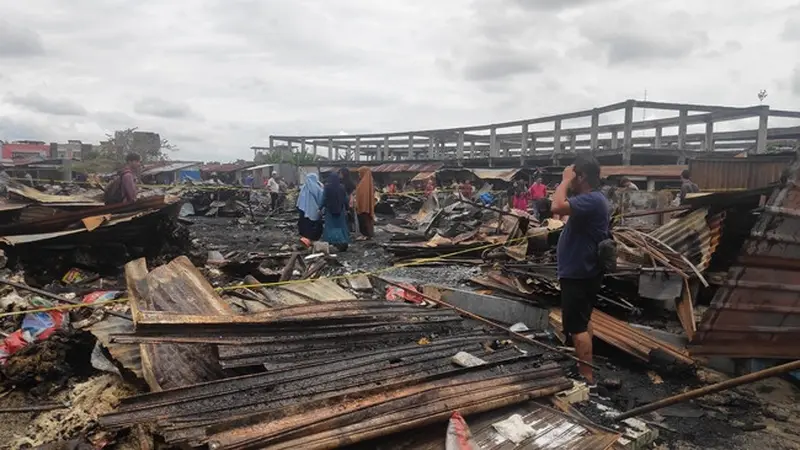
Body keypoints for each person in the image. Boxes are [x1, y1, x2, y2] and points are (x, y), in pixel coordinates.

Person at [550, 155, 610, 389]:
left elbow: (556, 206)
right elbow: (561, 213)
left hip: (579, 272)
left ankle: (586, 378)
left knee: (576, 326)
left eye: (574, 176)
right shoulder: (592, 200)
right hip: (582, 270)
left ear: (581, 176)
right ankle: (585, 367)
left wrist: (564, 181)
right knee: (583, 322)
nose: (570, 180)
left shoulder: (593, 200)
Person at [321, 172, 350, 251]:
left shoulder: (327, 187)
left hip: (330, 211)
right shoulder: (342, 187)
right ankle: (342, 241)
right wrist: (347, 208)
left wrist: (320, 208)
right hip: (340, 210)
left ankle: (331, 242)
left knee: (330, 227)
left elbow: (324, 198)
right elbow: (345, 199)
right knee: (341, 227)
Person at [296, 173, 324, 241]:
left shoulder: (303, 188)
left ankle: (305, 239)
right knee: (315, 225)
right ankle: (313, 238)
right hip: (315, 211)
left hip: (303, 210)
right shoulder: (318, 188)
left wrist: (298, 208)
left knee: (305, 225)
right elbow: (321, 199)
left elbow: (299, 200)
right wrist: (321, 209)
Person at [354, 167, 376, 239]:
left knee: (364, 220)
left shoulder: (363, 183)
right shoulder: (369, 182)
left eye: (359, 173)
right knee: (367, 220)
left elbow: (361, 195)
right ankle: (368, 234)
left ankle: (366, 234)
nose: (358, 174)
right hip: (367, 205)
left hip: (363, 206)